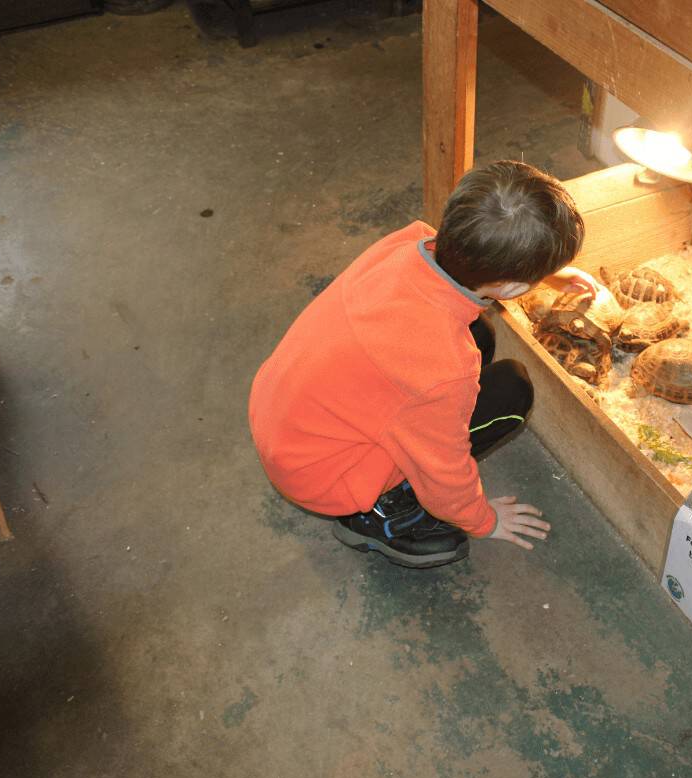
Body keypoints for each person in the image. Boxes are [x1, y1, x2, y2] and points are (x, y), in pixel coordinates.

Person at [248, 160, 599, 569]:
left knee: (479, 334)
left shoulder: (409, 244)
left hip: (286, 418)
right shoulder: (440, 370)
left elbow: (470, 278)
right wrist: (483, 520)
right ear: (513, 287)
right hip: (323, 476)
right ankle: (379, 515)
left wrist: (545, 275)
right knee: (511, 389)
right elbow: (443, 472)